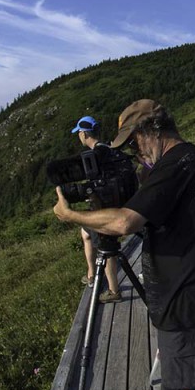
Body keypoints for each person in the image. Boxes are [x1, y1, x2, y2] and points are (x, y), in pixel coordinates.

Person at [53, 99, 195, 390]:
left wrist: (71, 215)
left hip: (186, 298)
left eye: (134, 141)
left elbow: (124, 223)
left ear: (151, 130)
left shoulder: (175, 164)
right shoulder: (194, 158)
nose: (135, 151)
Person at [72, 116, 121, 304]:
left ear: (83, 133)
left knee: (105, 245)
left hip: (107, 207)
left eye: (78, 133)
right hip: (119, 202)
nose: (78, 136)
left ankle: (113, 290)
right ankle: (91, 274)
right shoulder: (109, 149)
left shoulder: (96, 156)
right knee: (85, 232)